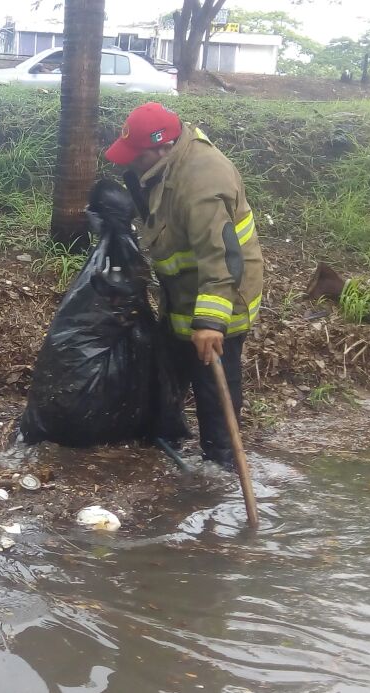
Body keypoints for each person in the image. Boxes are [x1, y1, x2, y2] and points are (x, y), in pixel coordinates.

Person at [104, 103, 263, 467]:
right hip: (183, 291)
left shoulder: (204, 181)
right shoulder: (164, 166)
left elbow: (221, 258)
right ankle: (164, 437)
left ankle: (222, 464)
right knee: (170, 364)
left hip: (223, 294)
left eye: (137, 156)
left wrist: (210, 324)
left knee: (213, 381)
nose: (131, 164)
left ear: (162, 147)